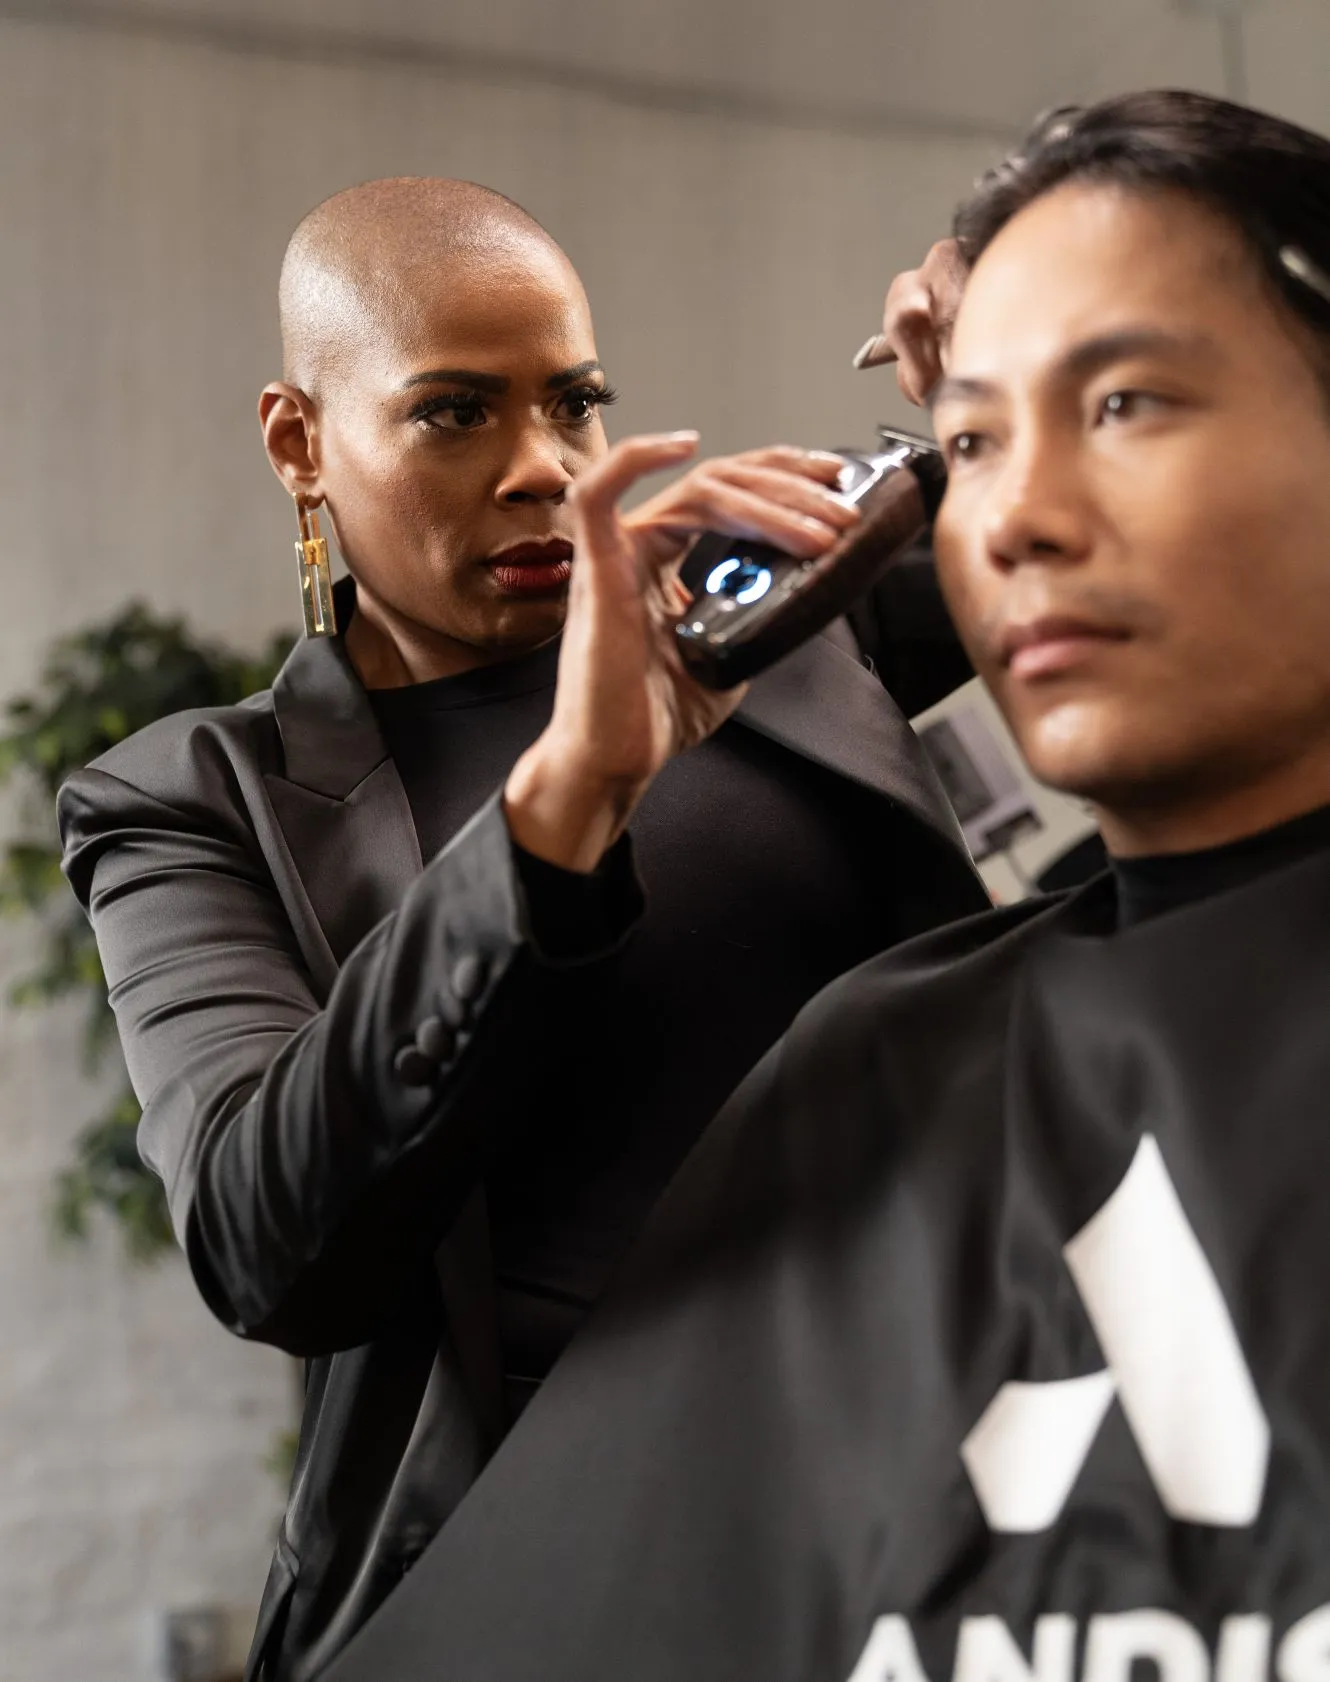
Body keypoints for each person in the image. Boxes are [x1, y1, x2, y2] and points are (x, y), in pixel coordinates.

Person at [314, 92, 1330, 1682]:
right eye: (975, 441)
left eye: (1124, 402)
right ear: (302, 440)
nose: (1015, 516)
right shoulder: (882, 1062)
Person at [55, 177, 986, 1682]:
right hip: (536, 1594)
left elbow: (1187, 592)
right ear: (299, 441)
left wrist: (1009, 422)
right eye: (451, 414)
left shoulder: (772, 610)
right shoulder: (193, 799)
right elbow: (263, 1238)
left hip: (926, 1524)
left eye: (574, 402)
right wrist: (567, 795)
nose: (540, 468)